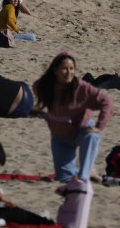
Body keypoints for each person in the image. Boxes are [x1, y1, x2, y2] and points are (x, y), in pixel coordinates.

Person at [33, 52, 113, 182]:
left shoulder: (81, 87)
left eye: (71, 69)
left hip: (81, 132)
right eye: (64, 68)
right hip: (60, 138)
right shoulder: (43, 86)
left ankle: (85, 175)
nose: (68, 72)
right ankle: (88, 171)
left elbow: (106, 102)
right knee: (65, 178)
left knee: (92, 136)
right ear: (55, 70)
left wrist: (99, 126)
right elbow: (38, 92)